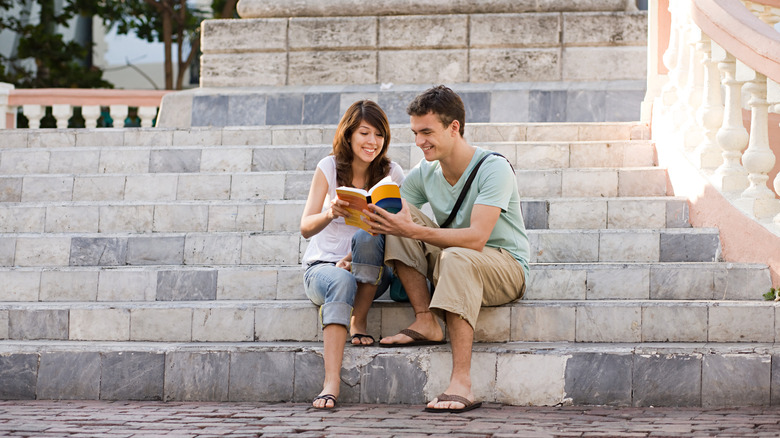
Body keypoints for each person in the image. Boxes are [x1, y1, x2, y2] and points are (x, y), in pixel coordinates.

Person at [362, 85, 530, 413]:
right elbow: (398, 220)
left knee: (453, 253)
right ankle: (426, 319)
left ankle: (462, 382)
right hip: (456, 260)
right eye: (414, 133)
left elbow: (477, 238)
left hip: (504, 266)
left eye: (427, 131)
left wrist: (413, 229)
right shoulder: (426, 172)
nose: (419, 141)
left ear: (454, 128)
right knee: (396, 215)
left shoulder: (493, 168)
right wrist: (353, 253)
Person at [300, 100, 405, 410]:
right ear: (348, 135)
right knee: (341, 281)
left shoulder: (391, 172)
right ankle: (331, 382)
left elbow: (399, 226)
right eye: (364, 133)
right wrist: (330, 212)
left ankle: (359, 319)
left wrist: (356, 250)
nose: (372, 142)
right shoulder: (329, 167)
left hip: (369, 268)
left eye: (379, 135)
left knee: (368, 235)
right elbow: (305, 228)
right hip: (323, 269)